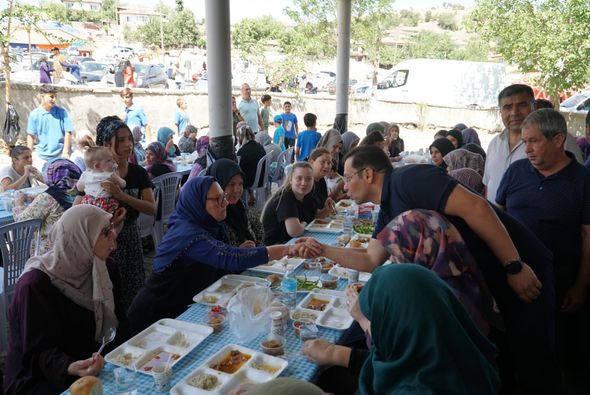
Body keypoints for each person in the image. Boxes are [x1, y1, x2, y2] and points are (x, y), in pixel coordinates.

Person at [296, 145, 558, 393]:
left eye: (348, 177)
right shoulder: (388, 209)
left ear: (367, 174)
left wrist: (514, 265)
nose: (344, 185)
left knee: (530, 361)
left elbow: (477, 207)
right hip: (468, 286)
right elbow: (370, 258)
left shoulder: (408, 179)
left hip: (510, 267)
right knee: (493, 359)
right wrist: (324, 250)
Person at [127, 176, 302, 333]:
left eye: (223, 197)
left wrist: (239, 250)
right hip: (155, 313)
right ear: (197, 201)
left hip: (183, 306)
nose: (225, 202)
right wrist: (285, 249)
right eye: (218, 199)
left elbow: (221, 257)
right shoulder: (187, 233)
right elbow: (231, 258)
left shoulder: (211, 225)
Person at [496, 109, 590, 392]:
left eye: (534, 142)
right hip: (511, 276)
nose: (528, 150)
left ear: (559, 139)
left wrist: (582, 285)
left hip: (559, 283)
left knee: (557, 352)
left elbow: (588, 236)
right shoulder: (516, 171)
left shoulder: (583, 181)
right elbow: (496, 218)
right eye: (525, 142)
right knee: (513, 349)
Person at [302, 265, 501, 395]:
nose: (371, 331)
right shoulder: (458, 352)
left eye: (376, 322)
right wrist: (334, 352)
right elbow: (399, 362)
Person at [4, 205, 125, 394]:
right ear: (80, 239)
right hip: (40, 376)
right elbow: (36, 352)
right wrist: (69, 366)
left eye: (111, 227)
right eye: (105, 232)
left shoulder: (104, 268)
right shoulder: (35, 284)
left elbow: (121, 322)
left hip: (93, 364)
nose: (114, 235)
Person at [77, 117, 155, 311]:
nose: (128, 144)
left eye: (129, 138)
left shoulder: (138, 173)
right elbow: (77, 210)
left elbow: (151, 208)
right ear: (106, 144)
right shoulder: (93, 174)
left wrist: (121, 196)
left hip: (130, 237)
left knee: (134, 289)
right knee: (109, 290)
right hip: (103, 240)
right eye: (121, 140)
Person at [483, 84, 582, 203]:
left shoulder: (559, 140)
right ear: (500, 112)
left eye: (522, 105)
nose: (514, 112)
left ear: (534, 106)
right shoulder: (494, 144)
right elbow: (488, 185)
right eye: (507, 107)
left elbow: (579, 186)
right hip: (494, 219)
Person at [12, 159, 82, 255]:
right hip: (77, 249)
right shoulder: (83, 193)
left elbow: (23, 222)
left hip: (49, 255)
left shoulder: (50, 196)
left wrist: (18, 204)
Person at [206, 159, 264, 246]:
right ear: (218, 185)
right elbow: (215, 254)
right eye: (231, 184)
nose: (237, 190)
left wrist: (258, 248)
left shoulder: (240, 205)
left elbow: (259, 230)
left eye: (240, 184)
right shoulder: (211, 216)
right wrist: (238, 252)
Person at [262, 162, 316, 245]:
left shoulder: (306, 195)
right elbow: (294, 231)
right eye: (299, 178)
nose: (304, 183)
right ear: (291, 179)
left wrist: (325, 210)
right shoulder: (285, 197)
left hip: (293, 241)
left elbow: (314, 216)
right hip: (277, 247)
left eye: (308, 179)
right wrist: (304, 224)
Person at [27, 84, 74, 165]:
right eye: (51, 97)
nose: (54, 99)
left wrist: (65, 152)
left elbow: (68, 132)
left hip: (59, 155)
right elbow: (31, 136)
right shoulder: (34, 115)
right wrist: (28, 155)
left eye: (55, 96)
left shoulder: (62, 112)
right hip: (41, 157)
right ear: (42, 96)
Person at [77, 147, 126, 214]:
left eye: (112, 159)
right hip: (103, 203)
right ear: (97, 166)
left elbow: (79, 187)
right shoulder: (110, 174)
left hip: (91, 202)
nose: (113, 161)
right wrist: (117, 180)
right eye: (109, 160)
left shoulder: (86, 175)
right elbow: (123, 184)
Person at [236, 125, 266, 204]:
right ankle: (251, 196)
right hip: (261, 178)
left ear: (240, 137)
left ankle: (240, 202)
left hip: (249, 181)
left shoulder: (242, 151)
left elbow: (239, 168)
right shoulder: (260, 146)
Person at [309, 148, 336, 217]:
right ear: (311, 162)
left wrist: (328, 201)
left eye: (329, 163)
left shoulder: (321, 180)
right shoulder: (306, 183)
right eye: (322, 162)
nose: (327, 166)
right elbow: (313, 215)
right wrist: (327, 210)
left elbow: (323, 203)